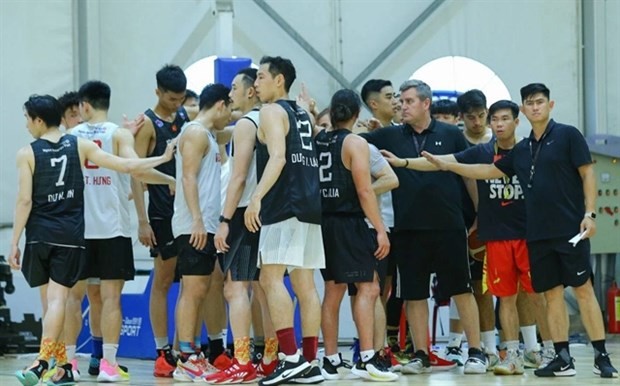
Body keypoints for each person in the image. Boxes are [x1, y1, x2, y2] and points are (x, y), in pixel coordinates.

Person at [420, 83, 618, 379]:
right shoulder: (523, 149)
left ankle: (602, 356)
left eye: (540, 102)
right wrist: (446, 166)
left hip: (569, 229)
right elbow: (487, 171)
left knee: (583, 290)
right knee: (549, 295)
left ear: (549, 105)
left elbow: (588, 174)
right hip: (536, 235)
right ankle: (561, 356)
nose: (535, 107)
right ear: (524, 110)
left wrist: (589, 214)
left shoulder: (567, 135)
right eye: (530, 103)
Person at [9, 95, 176, 386]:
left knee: (58, 301)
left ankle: (58, 362)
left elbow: (24, 201)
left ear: (38, 120)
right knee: (85, 299)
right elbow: (127, 166)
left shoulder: (32, 150)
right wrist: (163, 161)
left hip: (52, 234)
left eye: (26, 119)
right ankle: (92, 364)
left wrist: (14, 242)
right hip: (82, 233)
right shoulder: (86, 142)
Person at [382, 99, 553, 375]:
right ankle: (508, 353)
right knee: (502, 296)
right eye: (494, 120)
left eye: (504, 119)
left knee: (537, 295)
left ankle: (549, 351)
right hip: (496, 235)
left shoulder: (531, 151)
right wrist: (404, 161)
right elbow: (446, 164)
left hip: (527, 235)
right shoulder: (481, 151)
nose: (498, 124)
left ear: (516, 121)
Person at [360, 79, 487, 375]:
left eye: (408, 101)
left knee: (461, 289)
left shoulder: (451, 135)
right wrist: (364, 128)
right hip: (408, 228)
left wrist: (480, 215)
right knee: (414, 294)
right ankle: (420, 353)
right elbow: (354, 143)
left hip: (449, 226)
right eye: (400, 101)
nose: (401, 106)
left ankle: (476, 352)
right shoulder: (389, 135)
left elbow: (468, 174)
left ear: (426, 103)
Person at [72, 80, 177, 382]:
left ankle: (71, 363)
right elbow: (136, 168)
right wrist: (169, 179)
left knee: (79, 298)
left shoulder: (71, 137)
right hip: (112, 229)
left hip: (79, 229)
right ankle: (108, 364)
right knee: (111, 298)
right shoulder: (118, 134)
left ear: (84, 106)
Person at [244, 56, 325, 385]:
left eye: (261, 77)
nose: (256, 83)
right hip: (309, 204)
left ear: (279, 81)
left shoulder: (271, 111)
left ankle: (289, 357)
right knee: (305, 285)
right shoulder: (301, 113)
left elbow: (277, 157)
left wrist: (256, 197)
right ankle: (309, 361)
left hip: (284, 203)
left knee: (270, 279)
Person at [316, 90, 398, 382]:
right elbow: (364, 190)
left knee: (333, 291)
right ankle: (367, 358)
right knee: (369, 287)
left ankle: (330, 358)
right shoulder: (355, 142)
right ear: (356, 115)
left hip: (322, 223)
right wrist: (379, 229)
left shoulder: (318, 141)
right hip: (349, 222)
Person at [210, 68, 278, 383]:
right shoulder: (273, 119)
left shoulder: (247, 124)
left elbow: (238, 178)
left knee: (234, 287)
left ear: (251, 91)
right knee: (265, 287)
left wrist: (224, 221)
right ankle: (270, 355)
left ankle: (242, 360)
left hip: (244, 212)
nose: (230, 93)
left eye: (235, 87)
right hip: (271, 211)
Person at [170, 83, 232, 382]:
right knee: (193, 290)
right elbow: (188, 177)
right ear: (220, 105)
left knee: (200, 289)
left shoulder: (207, 134)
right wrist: (196, 219)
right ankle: (185, 357)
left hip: (204, 224)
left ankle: (190, 353)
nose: (230, 116)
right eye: (229, 109)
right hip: (193, 225)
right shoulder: (195, 132)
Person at [132, 64, 191, 377]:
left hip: (186, 211)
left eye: (181, 98)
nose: (177, 104)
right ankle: (161, 350)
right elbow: (136, 173)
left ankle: (184, 349)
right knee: (164, 279)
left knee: (191, 280)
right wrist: (142, 221)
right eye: (171, 99)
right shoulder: (147, 125)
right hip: (160, 215)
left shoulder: (184, 117)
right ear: (158, 92)